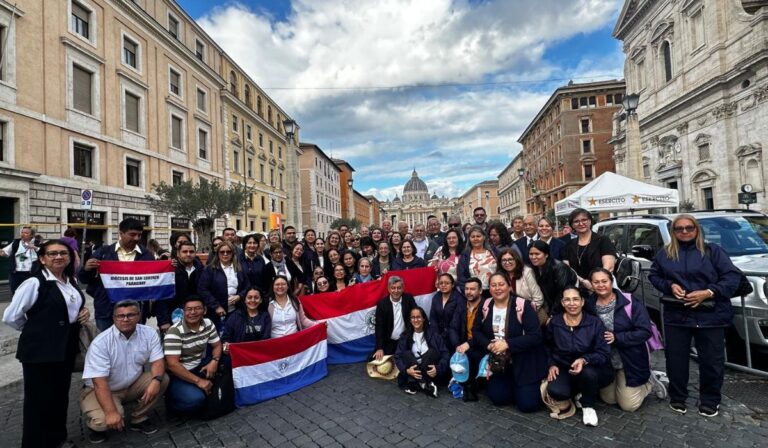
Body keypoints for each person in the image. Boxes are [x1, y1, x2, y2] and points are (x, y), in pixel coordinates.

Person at [648, 214, 740, 417]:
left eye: (689, 227)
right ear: (673, 231)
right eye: (679, 228)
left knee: (711, 361)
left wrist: (709, 292)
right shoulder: (666, 253)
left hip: (710, 315)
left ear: (696, 229)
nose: (684, 231)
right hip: (677, 315)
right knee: (676, 359)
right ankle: (678, 396)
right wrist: (670, 286)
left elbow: (732, 277)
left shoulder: (713, 251)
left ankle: (710, 400)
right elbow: (654, 275)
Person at [3, 240, 89, 448]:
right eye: (52, 253)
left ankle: (57, 439)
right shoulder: (34, 283)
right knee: (38, 401)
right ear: (42, 259)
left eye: (63, 253)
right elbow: (11, 316)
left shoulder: (70, 280)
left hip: (65, 347)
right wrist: (35, 328)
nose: (58, 257)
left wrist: (83, 312)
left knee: (59, 396)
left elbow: (72, 306)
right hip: (39, 350)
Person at [80, 300, 168, 443]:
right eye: (121, 316)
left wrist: (156, 381)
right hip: (102, 389)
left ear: (139, 316)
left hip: (132, 384)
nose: (126, 319)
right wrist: (111, 412)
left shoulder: (149, 333)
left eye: (131, 315)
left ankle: (139, 417)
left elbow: (158, 361)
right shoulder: (101, 343)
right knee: (104, 420)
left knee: (162, 378)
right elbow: (99, 382)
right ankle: (96, 426)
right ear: (114, 318)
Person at [586, 268, 667, 412]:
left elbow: (645, 331)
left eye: (604, 281)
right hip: (607, 360)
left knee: (628, 405)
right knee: (608, 399)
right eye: (596, 282)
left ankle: (648, 384)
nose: (601, 285)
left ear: (611, 281)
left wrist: (617, 337)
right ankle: (619, 382)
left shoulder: (629, 302)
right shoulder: (589, 305)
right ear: (591, 284)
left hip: (630, 359)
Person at [471, 273, 546, 410]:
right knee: (499, 399)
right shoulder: (486, 305)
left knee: (527, 405)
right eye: (493, 285)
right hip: (499, 363)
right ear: (489, 288)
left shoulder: (522, 306)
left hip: (523, 361)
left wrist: (507, 344)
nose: (497, 288)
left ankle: (525, 387)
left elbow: (536, 336)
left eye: (501, 284)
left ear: (509, 286)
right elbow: (476, 330)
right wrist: (489, 345)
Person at [544, 286, 611, 426]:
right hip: (564, 366)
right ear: (562, 303)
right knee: (557, 391)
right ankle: (578, 392)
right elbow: (547, 346)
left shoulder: (595, 322)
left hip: (590, 367)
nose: (571, 303)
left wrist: (584, 359)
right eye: (567, 300)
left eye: (575, 299)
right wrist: (551, 364)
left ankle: (588, 406)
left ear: (582, 301)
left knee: (588, 375)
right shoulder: (555, 322)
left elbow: (604, 352)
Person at [79, 218, 155, 331]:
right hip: (106, 311)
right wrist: (86, 269)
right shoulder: (104, 252)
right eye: (132, 234)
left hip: (135, 311)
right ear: (121, 233)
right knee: (107, 341)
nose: (136, 238)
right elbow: (84, 279)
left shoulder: (147, 255)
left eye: (139, 235)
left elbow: (153, 282)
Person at [164, 296, 223, 414]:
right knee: (197, 400)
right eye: (189, 309)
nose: (193, 312)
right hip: (179, 374)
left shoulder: (208, 323)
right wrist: (199, 381)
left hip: (199, 366)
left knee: (226, 360)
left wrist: (215, 361)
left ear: (204, 310)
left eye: (197, 308)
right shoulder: (174, 331)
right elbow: (172, 365)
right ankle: (171, 402)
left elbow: (217, 345)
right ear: (183, 312)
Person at [395, 307, 450, 397]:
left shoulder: (434, 334)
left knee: (432, 352)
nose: (416, 320)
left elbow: (445, 354)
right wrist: (407, 371)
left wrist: (438, 368)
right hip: (413, 368)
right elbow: (398, 356)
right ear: (410, 320)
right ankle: (425, 383)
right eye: (413, 317)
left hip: (429, 369)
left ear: (424, 319)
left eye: (418, 317)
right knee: (407, 354)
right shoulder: (405, 336)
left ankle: (415, 383)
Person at [562, 208, 616, 294]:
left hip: (602, 288)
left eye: (584, 220)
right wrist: (583, 281)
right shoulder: (568, 245)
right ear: (572, 225)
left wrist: (596, 283)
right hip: (578, 289)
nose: (581, 223)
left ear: (590, 221)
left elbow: (609, 267)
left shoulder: (602, 240)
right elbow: (568, 269)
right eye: (576, 221)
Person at [198, 240, 250, 329]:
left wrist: (239, 296)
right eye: (222, 252)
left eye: (228, 252)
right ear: (218, 254)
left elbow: (248, 286)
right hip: (216, 312)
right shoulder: (210, 269)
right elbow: (203, 289)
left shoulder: (240, 268)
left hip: (236, 310)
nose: (225, 254)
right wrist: (216, 306)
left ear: (232, 253)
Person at [156, 240, 203, 332]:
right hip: (173, 319)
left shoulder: (202, 270)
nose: (188, 254)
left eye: (191, 252)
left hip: (197, 318)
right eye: (185, 252)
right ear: (178, 253)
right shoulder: (170, 271)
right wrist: (163, 321)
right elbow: (161, 297)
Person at [448, 277, 483, 401]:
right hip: (463, 344)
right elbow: (453, 327)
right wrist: (457, 345)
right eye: (466, 289)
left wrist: (468, 344)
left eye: (473, 289)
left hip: (480, 344)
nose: (469, 292)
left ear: (480, 291)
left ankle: (467, 384)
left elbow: (486, 333)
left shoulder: (486, 306)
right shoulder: (462, 305)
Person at [529, 241, 576, 318]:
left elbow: (562, 293)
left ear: (546, 255)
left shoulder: (559, 267)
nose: (533, 257)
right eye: (531, 254)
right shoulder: (534, 268)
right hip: (549, 307)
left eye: (537, 254)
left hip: (565, 307)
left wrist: (552, 314)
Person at [373, 276, 417, 360]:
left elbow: (417, 315)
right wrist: (379, 347)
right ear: (388, 289)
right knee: (375, 360)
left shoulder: (409, 299)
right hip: (389, 342)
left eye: (399, 288)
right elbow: (379, 327)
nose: (396, 291)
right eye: (393, 288)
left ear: (403, 288)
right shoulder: (382, 304)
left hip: (405, 341)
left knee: (408, 360)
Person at [497, 248, 544, 313]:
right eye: (504, 260)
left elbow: (538, 299)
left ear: (516, 260)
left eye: (510, 259)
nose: (507, 262)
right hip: (507, 312)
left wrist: (525, 313)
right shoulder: (499, 276)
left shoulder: (526, 272)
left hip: (527, 311)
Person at [457, 225, 497, 296]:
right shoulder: (465, 255)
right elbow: (461, 277)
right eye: (473, 237)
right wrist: (467, 293)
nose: (475, 239)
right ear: (469, 239)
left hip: (495, 292)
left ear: (484, 237)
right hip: (473, 294)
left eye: (478, 236)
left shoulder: (493, 252)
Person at [429, 273, 464, 350]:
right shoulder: (436, 297)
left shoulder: (459, 298)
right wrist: (436, 336)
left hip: (455, 337)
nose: (443, 285)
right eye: (441, 283)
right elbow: (433, 318)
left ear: (453, 285)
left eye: (447, 283)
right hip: (438, 336)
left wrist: (442, 336)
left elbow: (455, 322)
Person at [2, 226, 39, 294]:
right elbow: (4, 252)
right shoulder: (16, 242)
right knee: (15, 293)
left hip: (31, 274)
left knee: (29, 294)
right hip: (15, 273)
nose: (22, 234)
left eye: (26, 233)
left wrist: (34, 247)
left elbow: (45, 253)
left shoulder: (37, 243)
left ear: (32, 235)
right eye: (22, 232)